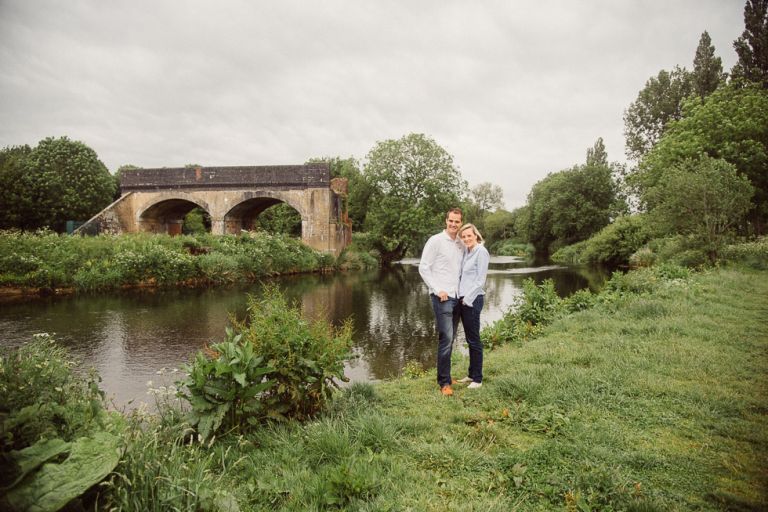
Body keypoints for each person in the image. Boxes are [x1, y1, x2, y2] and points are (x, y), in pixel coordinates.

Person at [419, 208, 465, 396]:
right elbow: (424, 267)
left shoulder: (461, 243)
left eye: (457, 222)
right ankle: (444, 383)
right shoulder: (435, 241)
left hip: (457, 297)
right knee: (445, 338)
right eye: (451, 221)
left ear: (461, 223)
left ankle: (446, 375)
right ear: (446, 220)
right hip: (442, 297)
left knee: (451, 337)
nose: (453, 224)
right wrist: (438, 290)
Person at [456, 223, 489, 389]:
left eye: (469, 235)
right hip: (463, 300)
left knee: (474, 339)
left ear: (476, 235)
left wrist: (467, 299)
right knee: (469, 338)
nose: (467, 239)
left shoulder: (481, 252)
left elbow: (480, 280)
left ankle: (478, 379)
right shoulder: (467, 252)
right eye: (464, 237)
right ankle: (471, 374)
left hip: (473, 300)